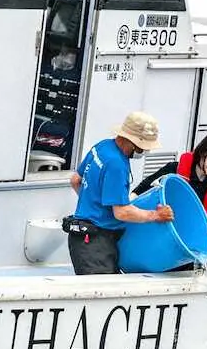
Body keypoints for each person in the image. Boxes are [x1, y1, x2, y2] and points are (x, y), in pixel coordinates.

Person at [65, 111, 173, 275]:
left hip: (82, 236)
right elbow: (122, 212)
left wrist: (92, 204)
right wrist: (156, 215)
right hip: (95, 241)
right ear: (132, 142)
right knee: (102, 294)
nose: (144, 152)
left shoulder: (102, 146)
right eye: (143, 148)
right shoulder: (117, 165)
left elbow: (75, 180)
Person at [134, 131, 207, 237]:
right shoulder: (174, 169)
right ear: (202, 153)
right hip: (161, 230)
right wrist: (129, 203)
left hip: (189, 237)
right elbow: (143, 188)